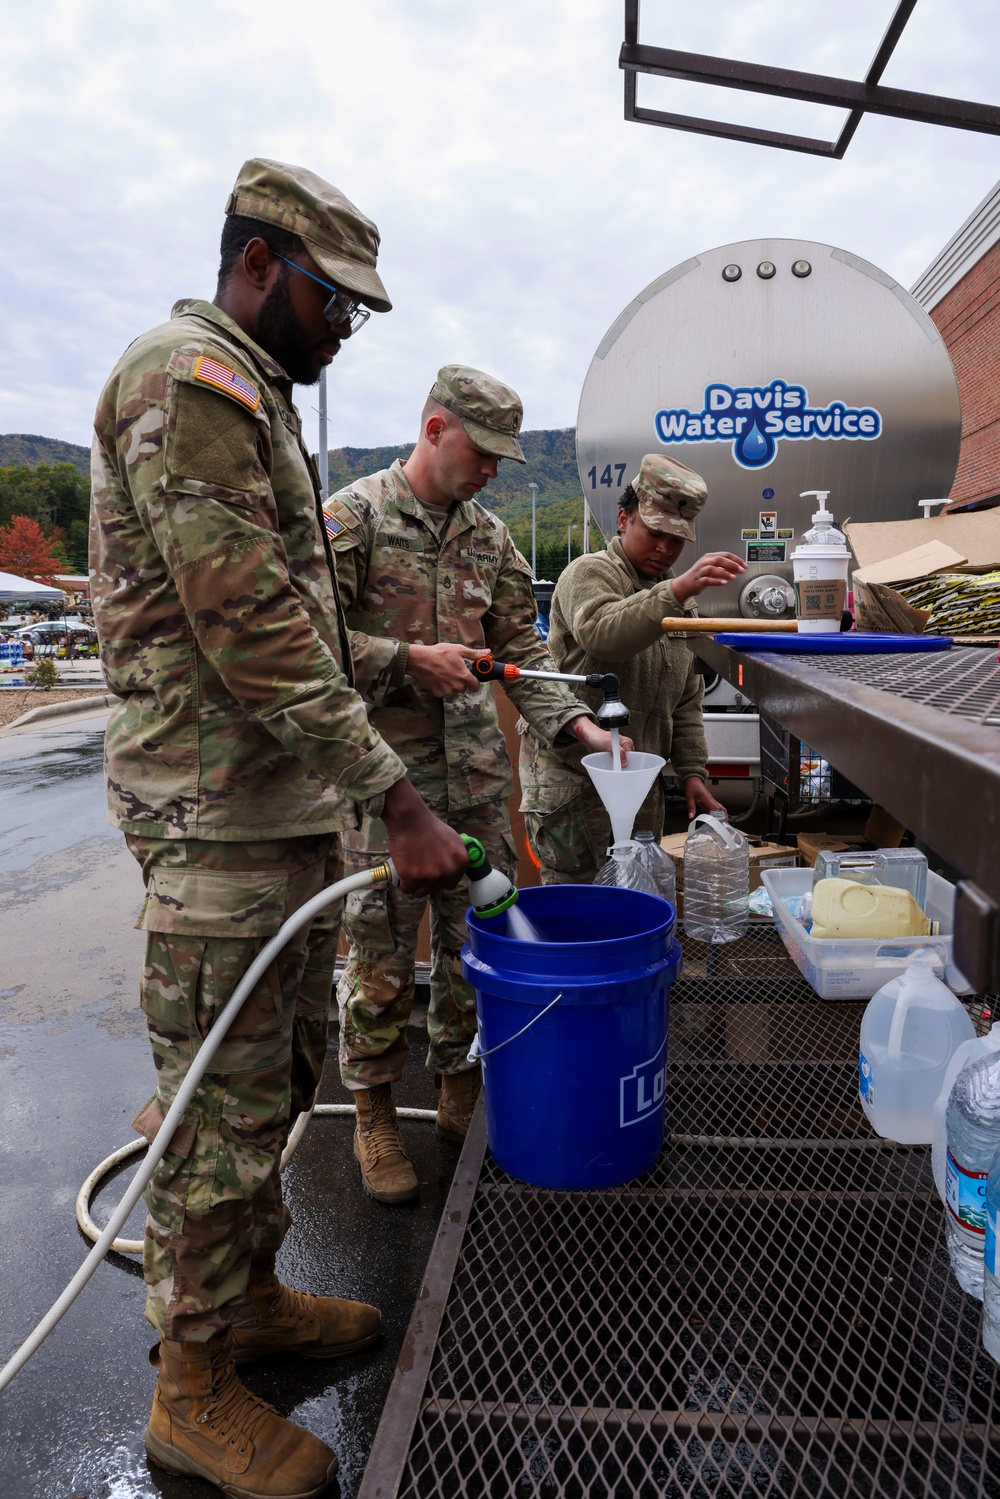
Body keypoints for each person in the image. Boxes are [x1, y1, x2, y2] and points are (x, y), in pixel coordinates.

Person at [89, 158, 469, 1499]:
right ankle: (190, 1386)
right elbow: (246, 633)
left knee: (276, 1079)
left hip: (273, 811)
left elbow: (291, 621)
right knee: (219, 1115)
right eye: (335, 300)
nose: (346, 328)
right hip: (216, 824)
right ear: (260, 264)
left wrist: (389, 667)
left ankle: (245, 1303)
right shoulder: (191, 383)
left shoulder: (254, 397)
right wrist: (402, 797)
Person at [325, 366, 627, 1203]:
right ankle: (375, 1109)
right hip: (386, 785)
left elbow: (521, 662)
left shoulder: (492, 539)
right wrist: (402, 659)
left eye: (503, 456)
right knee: (381, 956)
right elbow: (307, 649)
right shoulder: (352, 520)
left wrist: (580, 729)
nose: (493, 468)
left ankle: (461, 1086)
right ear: (433, 430)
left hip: (478, 791)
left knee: (478, 951)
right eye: (483, 450)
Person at [519, 454, 746, 883]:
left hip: (640, 784)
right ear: (624, 519)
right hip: (576, 784)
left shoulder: (680, 601)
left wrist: (694, 773)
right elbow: (604, 635)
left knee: (632, 897)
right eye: (655, 532)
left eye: (677, 540)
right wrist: (676, 589)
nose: (665, 548)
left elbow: (686, 700)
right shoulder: (589, 573)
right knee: (579, 909)